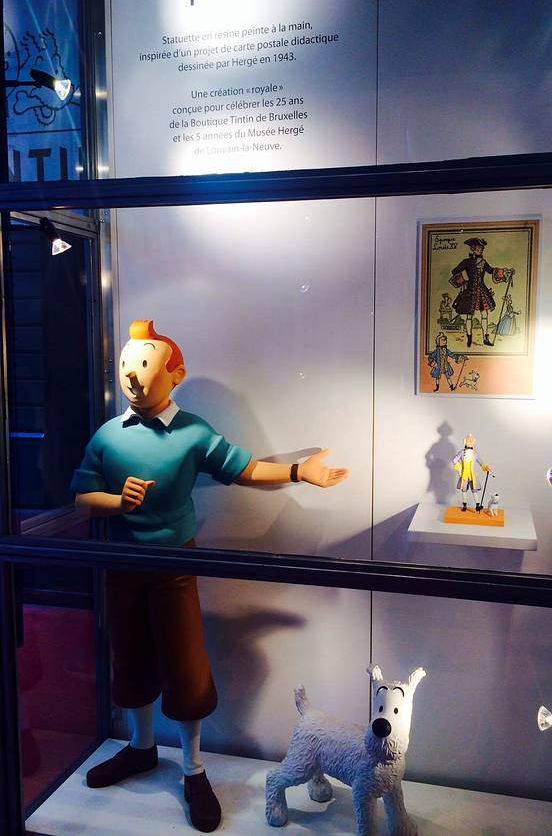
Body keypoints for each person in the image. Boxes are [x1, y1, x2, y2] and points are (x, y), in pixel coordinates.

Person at [71, 319, 348, 833]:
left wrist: (297, 471)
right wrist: (116, 501)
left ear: (175, 374)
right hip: (122, 565)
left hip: (175, 565)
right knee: (128, 653)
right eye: (127, 364)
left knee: (185, 660)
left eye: (144, 364)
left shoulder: (193, 432)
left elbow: (243, 468)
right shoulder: (108, 435)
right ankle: (140, 746)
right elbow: (82, 497)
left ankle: (194, 769)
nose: (132, 375)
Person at [449, 238, 514, 347]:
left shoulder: (483, 262)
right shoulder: (466, 262)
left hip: (482, 291)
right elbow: (455, 271)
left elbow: (491, 270)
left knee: (485, 315)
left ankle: (485, 339)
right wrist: (464, 280)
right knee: (469, 316)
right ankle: (469, 338)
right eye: (479, 248)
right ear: (473, 248)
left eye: (482, 248)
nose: (481, 250)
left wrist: (506, 272)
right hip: (470, 291)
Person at [451, 433, 491, 512]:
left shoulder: (474, 454)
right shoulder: (462, 452)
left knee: (474, 490)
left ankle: (477, 506)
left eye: (471, 441)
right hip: (464, 475)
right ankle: (464, 506)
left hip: (472, 475)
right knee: (464, 490)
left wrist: (486, 467)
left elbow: (481, 463)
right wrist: (459, 468)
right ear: (465, 441)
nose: (470, 442)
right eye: (468, 440)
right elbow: (454, 460)